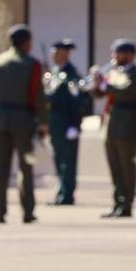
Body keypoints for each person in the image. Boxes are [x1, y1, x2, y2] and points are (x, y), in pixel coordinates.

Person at [0, 25, 43, 224]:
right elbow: (38, 95)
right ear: (27, 42)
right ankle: (28, 210)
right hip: (24, 122)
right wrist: (43, 122)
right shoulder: (32, 64)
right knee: (27, 167)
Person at [99, 38, 136, 218]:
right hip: (111, 125)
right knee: (115, 166)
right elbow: (100, 93)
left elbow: (126, 94)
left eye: (118, 53)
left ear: (129, 55)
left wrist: (106, 85)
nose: (115, 57)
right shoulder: (114, 73)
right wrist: (97, 83)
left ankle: (127, 203)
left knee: (126, 165)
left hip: (127, 125)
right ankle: (117, 201)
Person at [43, 40, 86, 206]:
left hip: (67, 123)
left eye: (56, 52)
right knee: (58, 158)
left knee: (68, 161)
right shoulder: (54, 72)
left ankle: (67, 194)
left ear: (65, 54)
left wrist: (74, 125)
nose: (53, 55)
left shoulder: (71, 74)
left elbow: (77, 101)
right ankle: (61, 191)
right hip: (55, 123)